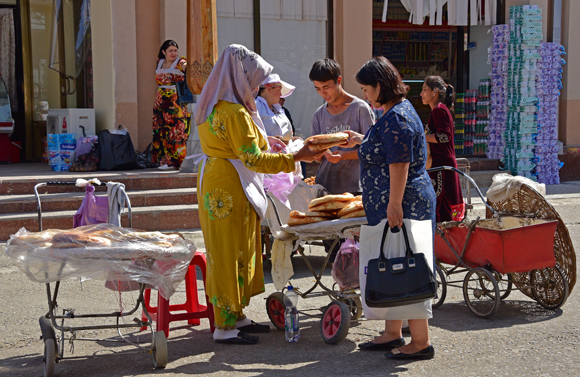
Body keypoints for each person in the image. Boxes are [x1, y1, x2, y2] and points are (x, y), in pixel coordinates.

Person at [193, 44, 324, 345]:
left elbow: (241, 149)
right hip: (231, 184)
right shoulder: (236, 111)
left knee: (235, 248)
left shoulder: (212, 104)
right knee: (230, 252)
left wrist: (271, 144)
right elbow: (252, 158)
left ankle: (236, 315)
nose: (257, 86)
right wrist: (296, 156)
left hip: (220, 181)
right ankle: (224, 325)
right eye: (255, 79)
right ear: (241, 76)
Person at [343, 56, 436, 360]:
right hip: (398, 201)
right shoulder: (393, 112)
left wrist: (394, 203)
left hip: (403, 202)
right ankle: (393, 332)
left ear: (380, 86)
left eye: (366, 89)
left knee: (407, 265)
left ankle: (420, 341)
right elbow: (386, 149)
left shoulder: (396, 116)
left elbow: (400, 162)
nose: (365, 95)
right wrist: (363, 140)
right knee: (394, 261)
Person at [308, 58, 375, 262]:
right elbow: (315, 154)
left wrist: (345, 155)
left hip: (354, 191)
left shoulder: (360, 109)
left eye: (326, 87)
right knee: (334, 256)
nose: (323, 93)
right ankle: (343, 293)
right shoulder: (319, 115)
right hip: (327, 190)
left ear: (338, 80)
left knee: (356, 255)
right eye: (318, 89)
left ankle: (356, 292)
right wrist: (317, 155)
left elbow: (373, 148)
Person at [420, 75, 465, 222]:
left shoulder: (439, 110)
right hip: (440, 165)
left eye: (425, 90)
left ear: (435, 92)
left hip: (443, 167)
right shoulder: (439, 110)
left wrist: (420, 137)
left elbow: (443, 136)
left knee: (443, 209)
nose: (421, 94)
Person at [151, 40, 191, 170]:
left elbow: (186, 67)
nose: (173, 53)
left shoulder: (180, 62)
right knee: (161, 130)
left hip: (175, 102)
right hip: (160, 101)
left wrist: (186, 65)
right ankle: (165, 161)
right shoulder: (160, 62)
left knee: (177, 130)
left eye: (175, 50)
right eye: (170, 51)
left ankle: (178, 161)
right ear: (164, 52)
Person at [255, 74, 296, 142]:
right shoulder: (255, 107)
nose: (280, 94)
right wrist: (269, 140)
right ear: (269, 89)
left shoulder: (278, 108)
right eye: (279, 90)